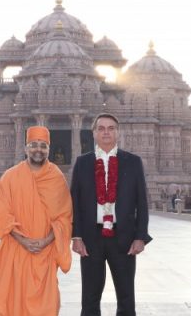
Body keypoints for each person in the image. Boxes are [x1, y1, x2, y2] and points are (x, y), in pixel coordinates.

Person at [0, 125, 73, 316]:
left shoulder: (56, 177)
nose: (38, 150)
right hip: (16, 250)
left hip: (45, 252)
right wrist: (23, 240)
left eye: (43, 145)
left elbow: (64, 217)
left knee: (47, 305)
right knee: (14, 302)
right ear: (25, 148)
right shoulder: (10, 177)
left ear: (49, 149)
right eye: (33, 145)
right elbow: (0, 213)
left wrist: (45, 241)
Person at [70, 113, 152, 316]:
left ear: (118, 132)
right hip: (91, 238)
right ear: (94, 133)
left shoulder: (133, 162)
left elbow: (142, 202)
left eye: (111, 128)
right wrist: (76, 236)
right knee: (89, 297)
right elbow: (75, 202)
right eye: (101, 128)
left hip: (123, 237)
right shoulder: (82, 163)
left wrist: (140, 236)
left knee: (126, 296)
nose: (106, 132)